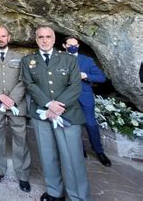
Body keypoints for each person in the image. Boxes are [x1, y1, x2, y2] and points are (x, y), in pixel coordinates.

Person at [21, 26, 90, 201]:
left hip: (67, 114)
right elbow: (29, 84)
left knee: (72, 159)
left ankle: (78, 197)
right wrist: (49, 104)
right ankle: (54, 192)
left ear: (54, 39)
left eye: (48, 36)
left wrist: (59, 106)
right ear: (36, 39)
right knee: (47, 156)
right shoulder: (28, 60)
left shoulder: (68, 59)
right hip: (42, 115)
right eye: (40, 37)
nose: (44, 40)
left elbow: (75, 85)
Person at [0, 26, 31, 192]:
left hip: (16, 105)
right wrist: (0, 96)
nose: (1, 39)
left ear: (9, 38)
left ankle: (23, 175)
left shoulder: (20, 58)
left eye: (3, 36)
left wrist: (11, 100)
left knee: (20, 139)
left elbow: (24, 80)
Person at [63, 37, 111, 167]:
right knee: (72, 124)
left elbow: (101, 78)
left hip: (84, 96)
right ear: (64, 46)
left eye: (75, 45)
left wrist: (86, 76)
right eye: (70, 45)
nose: (72, 47)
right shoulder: (59, 59)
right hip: (67, 97)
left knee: (90, 124)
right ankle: (80, 150)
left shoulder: (87, 60)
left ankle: (99, 151)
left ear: (78, 45)